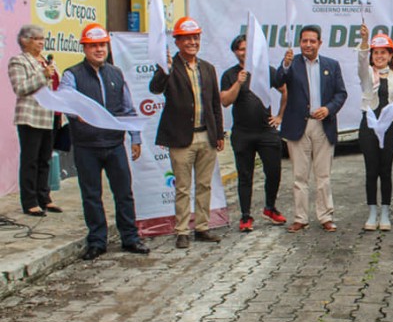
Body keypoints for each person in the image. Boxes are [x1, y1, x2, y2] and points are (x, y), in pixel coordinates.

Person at [60, 24, 149, 260]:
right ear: (84, 48)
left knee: (124, 193)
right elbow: (65, 100)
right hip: (86, 146)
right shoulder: (72, 75)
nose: (99, 49)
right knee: (91, 195)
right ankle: (97, 241)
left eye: (102, 45)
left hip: (114, 145)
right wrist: (75, 111)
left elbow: (127, 108)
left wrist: (135, 137)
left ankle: (130, 238)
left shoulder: (116, 74)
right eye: (93, 46)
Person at [149, 17, 225, 249]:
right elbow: (155, 88)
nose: (192, 42)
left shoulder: (208, 68)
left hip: (206, 136)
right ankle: (182, 230)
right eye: (187, 39)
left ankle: (202, 227)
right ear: (177, 42)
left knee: (204, 185)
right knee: (182, 187)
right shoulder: (170, 66)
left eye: (195, 38)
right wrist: (164, 69)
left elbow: (215, 104)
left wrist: (219, 134)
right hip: (182, 137)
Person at [277, 25, 347, 233]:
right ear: (300, 42)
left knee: (323, 175)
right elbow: (278, 81)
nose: (308, 45)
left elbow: (341, 94)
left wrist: (328, 109)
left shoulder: (331, 65)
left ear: (319, 43)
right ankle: (301, 218)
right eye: (304, 41)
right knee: (299, 176)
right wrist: (285, 65)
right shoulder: (292, 64)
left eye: (312, 41)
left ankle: (326, 216)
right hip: (298, 126)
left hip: (323, 126)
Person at [220, 34, 288, 233]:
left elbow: (285, 90)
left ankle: (270, 207)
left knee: (274, 172)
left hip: (267, 132)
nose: (245, 52)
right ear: (235, 52)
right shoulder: (230, 75)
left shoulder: (266, 70)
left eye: (248, 48)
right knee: (245, 175)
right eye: (241, 49)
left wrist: (280, 116)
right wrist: (238, 83)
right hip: (242, 134)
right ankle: (245, 216)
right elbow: (225, 101)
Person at [8, 24, 63, 217]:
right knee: (30, 160)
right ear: (25, 41)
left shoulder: (46, 61)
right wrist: (42, 75)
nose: (41, 42)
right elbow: (20, 88)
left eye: (42, 39)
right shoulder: (18, 61)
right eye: (37, 39)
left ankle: (44, 197)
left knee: (45, 160)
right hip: (30, 117)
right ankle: (30, 201)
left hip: (49, 116)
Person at [357, 25, 393, 231]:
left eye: (383, 52)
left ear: (390, 55)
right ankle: (372, 212)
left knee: (385, 171)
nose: (379, 56)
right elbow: (361, 61)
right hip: (369, 126)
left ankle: (385, 212)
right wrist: (365, 41)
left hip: (390, 127)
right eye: (376, 52)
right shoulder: (367, 73)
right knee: (371, 170)